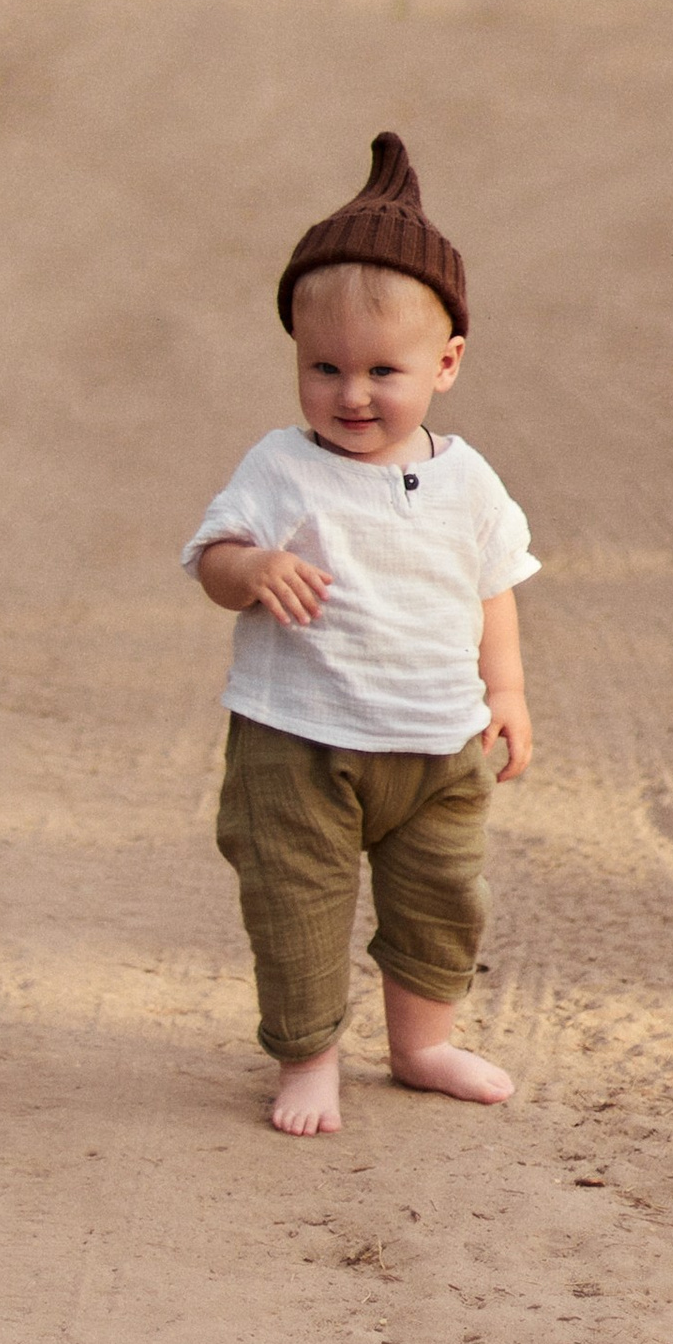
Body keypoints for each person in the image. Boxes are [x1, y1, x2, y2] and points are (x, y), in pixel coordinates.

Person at [182, 132, 536, 1138]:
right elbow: (211, 558)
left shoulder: (467, 480)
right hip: (298, 740)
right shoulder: (281, 467)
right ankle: (308, 1058)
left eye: (384, 370)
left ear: (447, 364)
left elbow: (493, 587)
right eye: (322, 367)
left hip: (437, 743)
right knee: (295, 905)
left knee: (440, 905)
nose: (350, 394)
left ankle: (421, 1044)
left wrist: (503, 694)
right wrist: (250, 569)